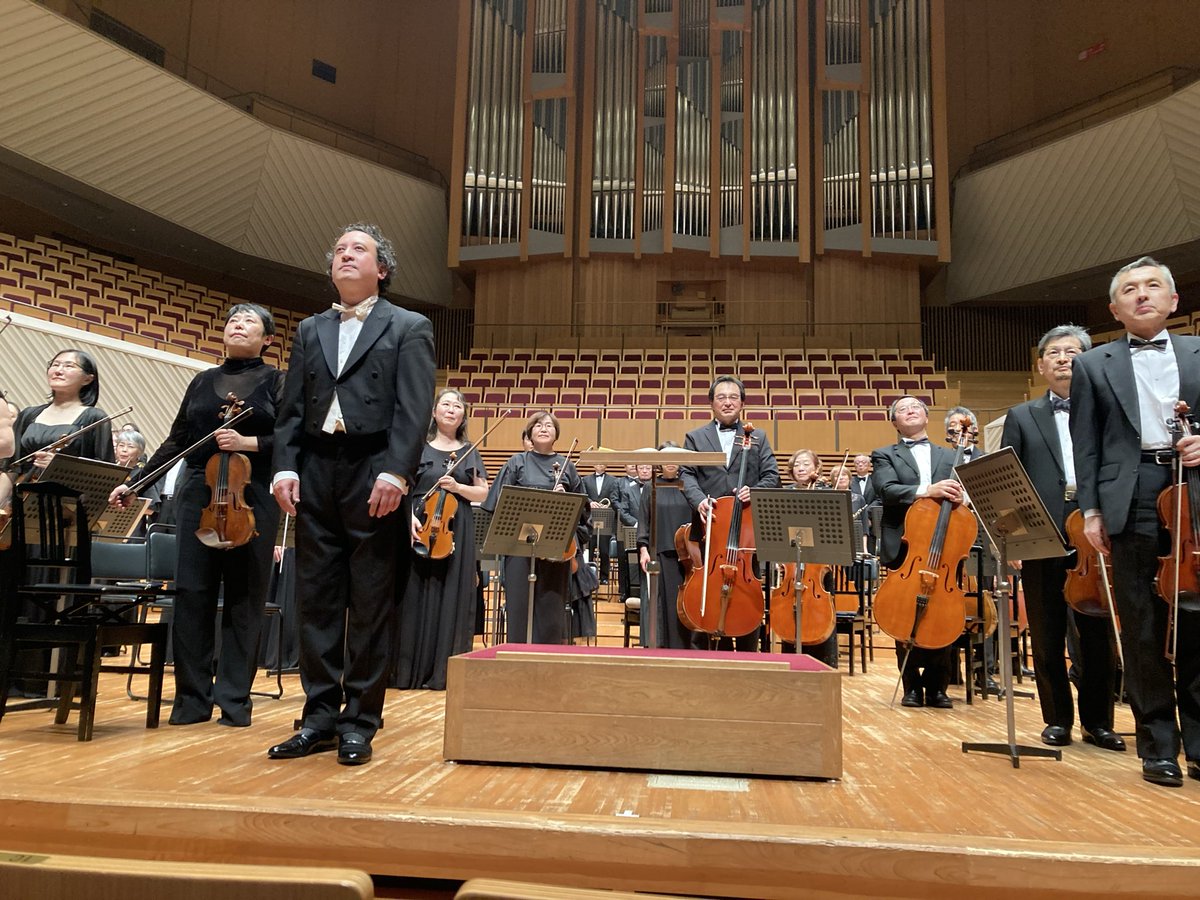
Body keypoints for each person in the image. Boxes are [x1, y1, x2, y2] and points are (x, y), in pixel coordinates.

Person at [268, 223, 436, 766]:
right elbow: (291, 409)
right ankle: (317, 717)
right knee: (314, 599)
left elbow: (414, 408)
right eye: (338, 249)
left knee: (369, 602)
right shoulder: (310, 328)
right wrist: (282, 468)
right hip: (316, 469)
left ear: (381, 270)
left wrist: (397, 473)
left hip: (374, 471)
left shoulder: (409, 325)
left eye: (357, 249)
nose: (344, 255)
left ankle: (360, 719)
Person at [110, 304, 284, 727]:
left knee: (245, 598)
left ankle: (234, 700)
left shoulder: (277, 380)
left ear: (267, 339)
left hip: (252, 494)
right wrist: (135, 481)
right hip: (198, 493)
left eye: (249, 323)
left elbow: (294, 438)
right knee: (192, 594)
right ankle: (191, 699)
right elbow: (179, 440)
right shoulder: (203, 381)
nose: (238, 326)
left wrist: (249, 443)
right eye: (232, 322)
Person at [1071, 256, 1200, 787]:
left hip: (1195, 487)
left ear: (1173, 301)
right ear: (1114, 309)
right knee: (1142, 620)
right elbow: (1088, 445)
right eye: (1129, 289)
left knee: (1196, 615)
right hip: (1133, 492)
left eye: (1153, 287)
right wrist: (1094, 511)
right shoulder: (1092, 365)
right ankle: (1158, 744)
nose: (1141, 295)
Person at [1001, 325, 1123, 752]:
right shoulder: (1021, 416)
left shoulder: (1109, 410)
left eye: (1073, 351)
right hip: (1041, 536)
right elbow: (1006, 484)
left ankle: (1099, 722)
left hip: (1098, 535)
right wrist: (1012, 543)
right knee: (1047, 631)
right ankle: (1056, 720)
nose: (1063, 358)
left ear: (1088, 360)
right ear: (1040, 365)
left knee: (1096, 632)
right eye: (1053, 352)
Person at [393, 389, 489, 690]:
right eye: (445, 404)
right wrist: (406, 515)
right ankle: (407, 671)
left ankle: (443, 673)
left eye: (457, 406)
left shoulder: (469, 451)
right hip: (417, 523)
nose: (451, 410)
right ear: (434, 412)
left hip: (454, 526)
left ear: (463, 415)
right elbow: (401, 485)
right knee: (412, 594)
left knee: (450, 595)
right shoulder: (417, 447)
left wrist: (458, 487)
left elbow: (483, 492)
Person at [870, 396, 962, 709]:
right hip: (906, 544)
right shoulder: (884, 454)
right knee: (902, 613)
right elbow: (887, 491)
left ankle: (938, 687)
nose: (910, 409)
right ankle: (911, 686)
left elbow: (965, 490)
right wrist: (928, 490)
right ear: (894, 422)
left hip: (945, 544)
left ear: (926, 416)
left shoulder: (951, 455)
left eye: (916, 406)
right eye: (902, 409)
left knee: (944, 612)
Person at [679, 375, 780, 650]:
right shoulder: (695, 437)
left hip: (745, 533)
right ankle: (712, 653)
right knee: (708, 591)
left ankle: (748, 649)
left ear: (742, 403)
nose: (727, 402)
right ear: (711, 403)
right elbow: (687, 475)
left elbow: (772, 475)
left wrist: (755, 491)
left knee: (746, 590)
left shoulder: (757, 437)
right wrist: (699, 500)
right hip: (710, 524)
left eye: (733, 397)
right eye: (721, 397)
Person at [482, 410, 590, 644]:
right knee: (519, 608)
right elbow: (497, 502)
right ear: (530, 432)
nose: (543, 428)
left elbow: (583, 509)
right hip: (518, 546)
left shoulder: (567, 466)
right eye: (538, 425)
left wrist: (567, 498)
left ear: (556, 434)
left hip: (555, 548)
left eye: (549, 425)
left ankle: (546, 661)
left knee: (551, 613)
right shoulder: (516, 462)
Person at [10, 349, 115, 477]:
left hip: (68, 495)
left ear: (87, 379)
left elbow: (106, 472)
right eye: (55, 364)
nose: (58, 371)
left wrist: (60, 467)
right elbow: (11, 467)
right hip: (22, 492)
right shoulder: (29, 414)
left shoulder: (95, 418)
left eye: (68, 366)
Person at [636, 441, 693, 649]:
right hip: (658, 553)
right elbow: (644, 520)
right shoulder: (650, 486)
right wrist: (643, 549)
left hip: (688, 557)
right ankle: (659, 647)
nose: (670, 462)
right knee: (660, 606)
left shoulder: (689, 485)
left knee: (685, 603)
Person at [583, 462, 619, 584]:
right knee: (590, 550)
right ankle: (588, 576)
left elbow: (614, 497)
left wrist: (606, 506)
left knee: (604, 550)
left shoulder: (614, 480)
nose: (599, 465)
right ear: (593, 465)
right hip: (589, 520)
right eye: (597, 463)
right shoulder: (586, 479)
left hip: (606, 519)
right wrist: (590, 502)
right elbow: (583, 495)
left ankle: (604, 577)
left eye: (602, 463)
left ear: (606, 465)